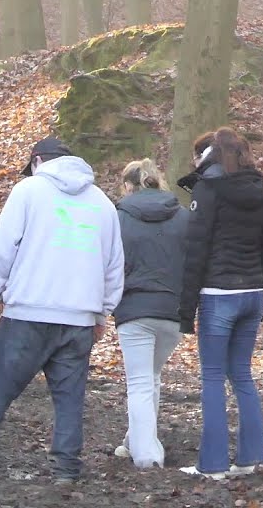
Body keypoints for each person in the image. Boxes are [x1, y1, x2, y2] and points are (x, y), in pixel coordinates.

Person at [0, 137, 123, 485]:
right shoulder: (103, 203)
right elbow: (114, 265)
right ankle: (66, 469)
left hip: (29, 312)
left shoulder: (28, 191)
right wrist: (102, 313)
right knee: (69, 399)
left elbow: (3, 246)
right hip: (80, 317)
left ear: (37, 160)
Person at [176, 127, 263, 480]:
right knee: (242, 375)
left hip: (219, 294)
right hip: (252, 293)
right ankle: (251, 457)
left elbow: (196, 249)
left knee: (213, 377)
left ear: (209, 157)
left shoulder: (208, 189)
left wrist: (186, 311)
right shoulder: (260, 191)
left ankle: (213, 463)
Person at [112, 158, 190, 469]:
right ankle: (135, 440)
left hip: (134, 310)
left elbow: (110, 263)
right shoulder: (184, 216)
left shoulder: (118, 217)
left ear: (128, 186)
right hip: (173, 312)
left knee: (141, 382)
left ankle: (147, 457)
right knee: (151, 376)